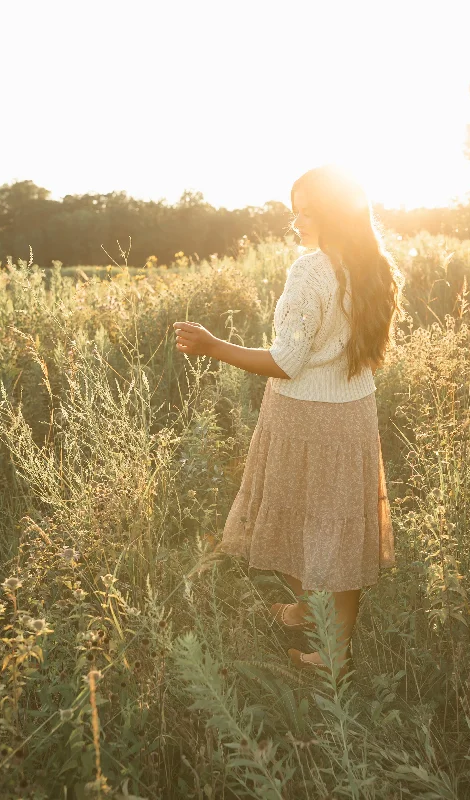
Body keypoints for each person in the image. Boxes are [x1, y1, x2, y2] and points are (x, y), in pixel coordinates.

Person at [173, 163, 404, 681]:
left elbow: (286, 362)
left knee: (307, 519)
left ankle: (329, 649)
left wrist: (212, 346)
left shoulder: (311, 269)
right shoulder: (375, 265)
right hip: (353, 414)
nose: (296, 224)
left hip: (304, 414)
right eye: (294, 213)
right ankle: (312, 622)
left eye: (305, 213)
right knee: (335, 525)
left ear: (331, 215)